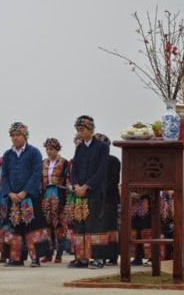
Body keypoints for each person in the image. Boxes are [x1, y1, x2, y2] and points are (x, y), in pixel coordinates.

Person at [1, 122, 51, 267]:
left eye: (18, 135)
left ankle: (35, 259)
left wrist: (24, 192)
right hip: (13, 198)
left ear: (25, 136)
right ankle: (16, 258)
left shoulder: (34, 152)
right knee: (14, 228)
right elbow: (4, 175)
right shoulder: (8, 154)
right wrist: (10, 193)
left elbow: (36, 174)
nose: (15, 138)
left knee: (33, 227)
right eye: (12, 135)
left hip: (30, 197)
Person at [68, 115, 110, 269]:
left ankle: (98, 258)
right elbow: (75, 169)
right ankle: (82, 258)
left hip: (95, 193)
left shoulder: (102, 147)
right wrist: (76, 185)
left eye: (82, 129)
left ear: (91, 129)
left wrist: (86, 186)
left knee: (95, 226)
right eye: (78, 130)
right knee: (80, 226)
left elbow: (101, 170)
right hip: (79, 194)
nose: (80, 132)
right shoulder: (79, 148)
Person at [40, 138, 68, 264]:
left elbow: (67, 179)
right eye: (47, 149)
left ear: (57, 149)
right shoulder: (43, 163)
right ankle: (48, 254)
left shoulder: (64, 162)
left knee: (58, 225)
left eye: (51, 149)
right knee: (47, 225)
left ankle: (60, 254)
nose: (49, 152)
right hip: (46, 194)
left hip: (59, 194)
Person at [94, 133, 121, 266]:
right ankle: (100, 255)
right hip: (96, 199)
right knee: (99, 227)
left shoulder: (113, 160)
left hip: (109, 199)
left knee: (110, 227)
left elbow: (114, 181)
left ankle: (112, 256)